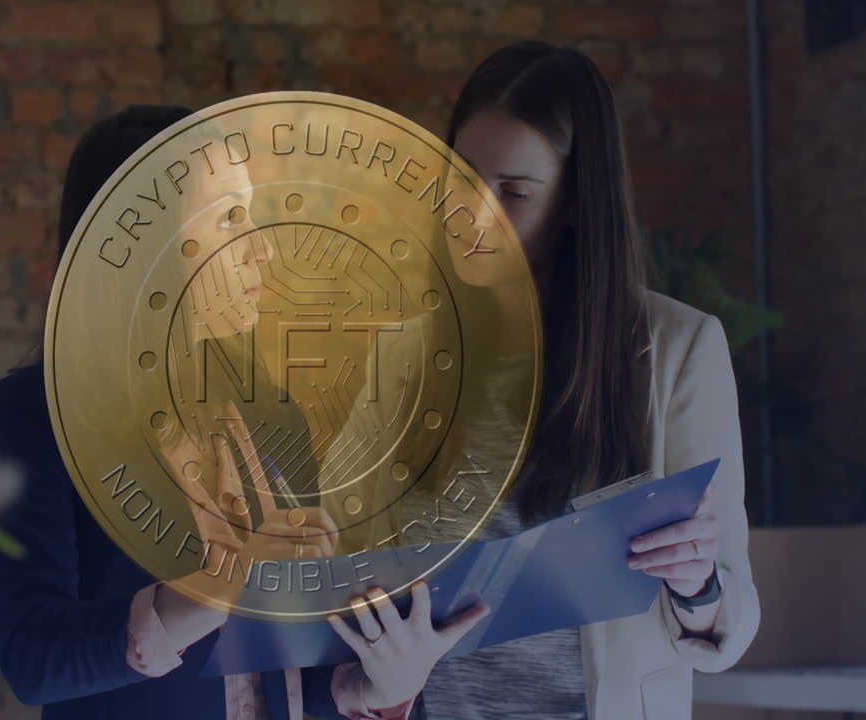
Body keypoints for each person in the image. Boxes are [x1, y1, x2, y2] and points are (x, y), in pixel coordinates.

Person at [0, 105, 487, 720]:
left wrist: (383, 692)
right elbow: (33, 660)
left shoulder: (272, 411)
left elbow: (301, 663)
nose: (262, 250)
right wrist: (216, 593)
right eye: (228, 220)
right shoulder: (35, 416)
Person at [323, 41, 761, 720]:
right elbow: (345, 561)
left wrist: (699, 581)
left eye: (515, 193)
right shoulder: (403, 357)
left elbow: (728, 623)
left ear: (576, 202)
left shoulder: (676, 351)